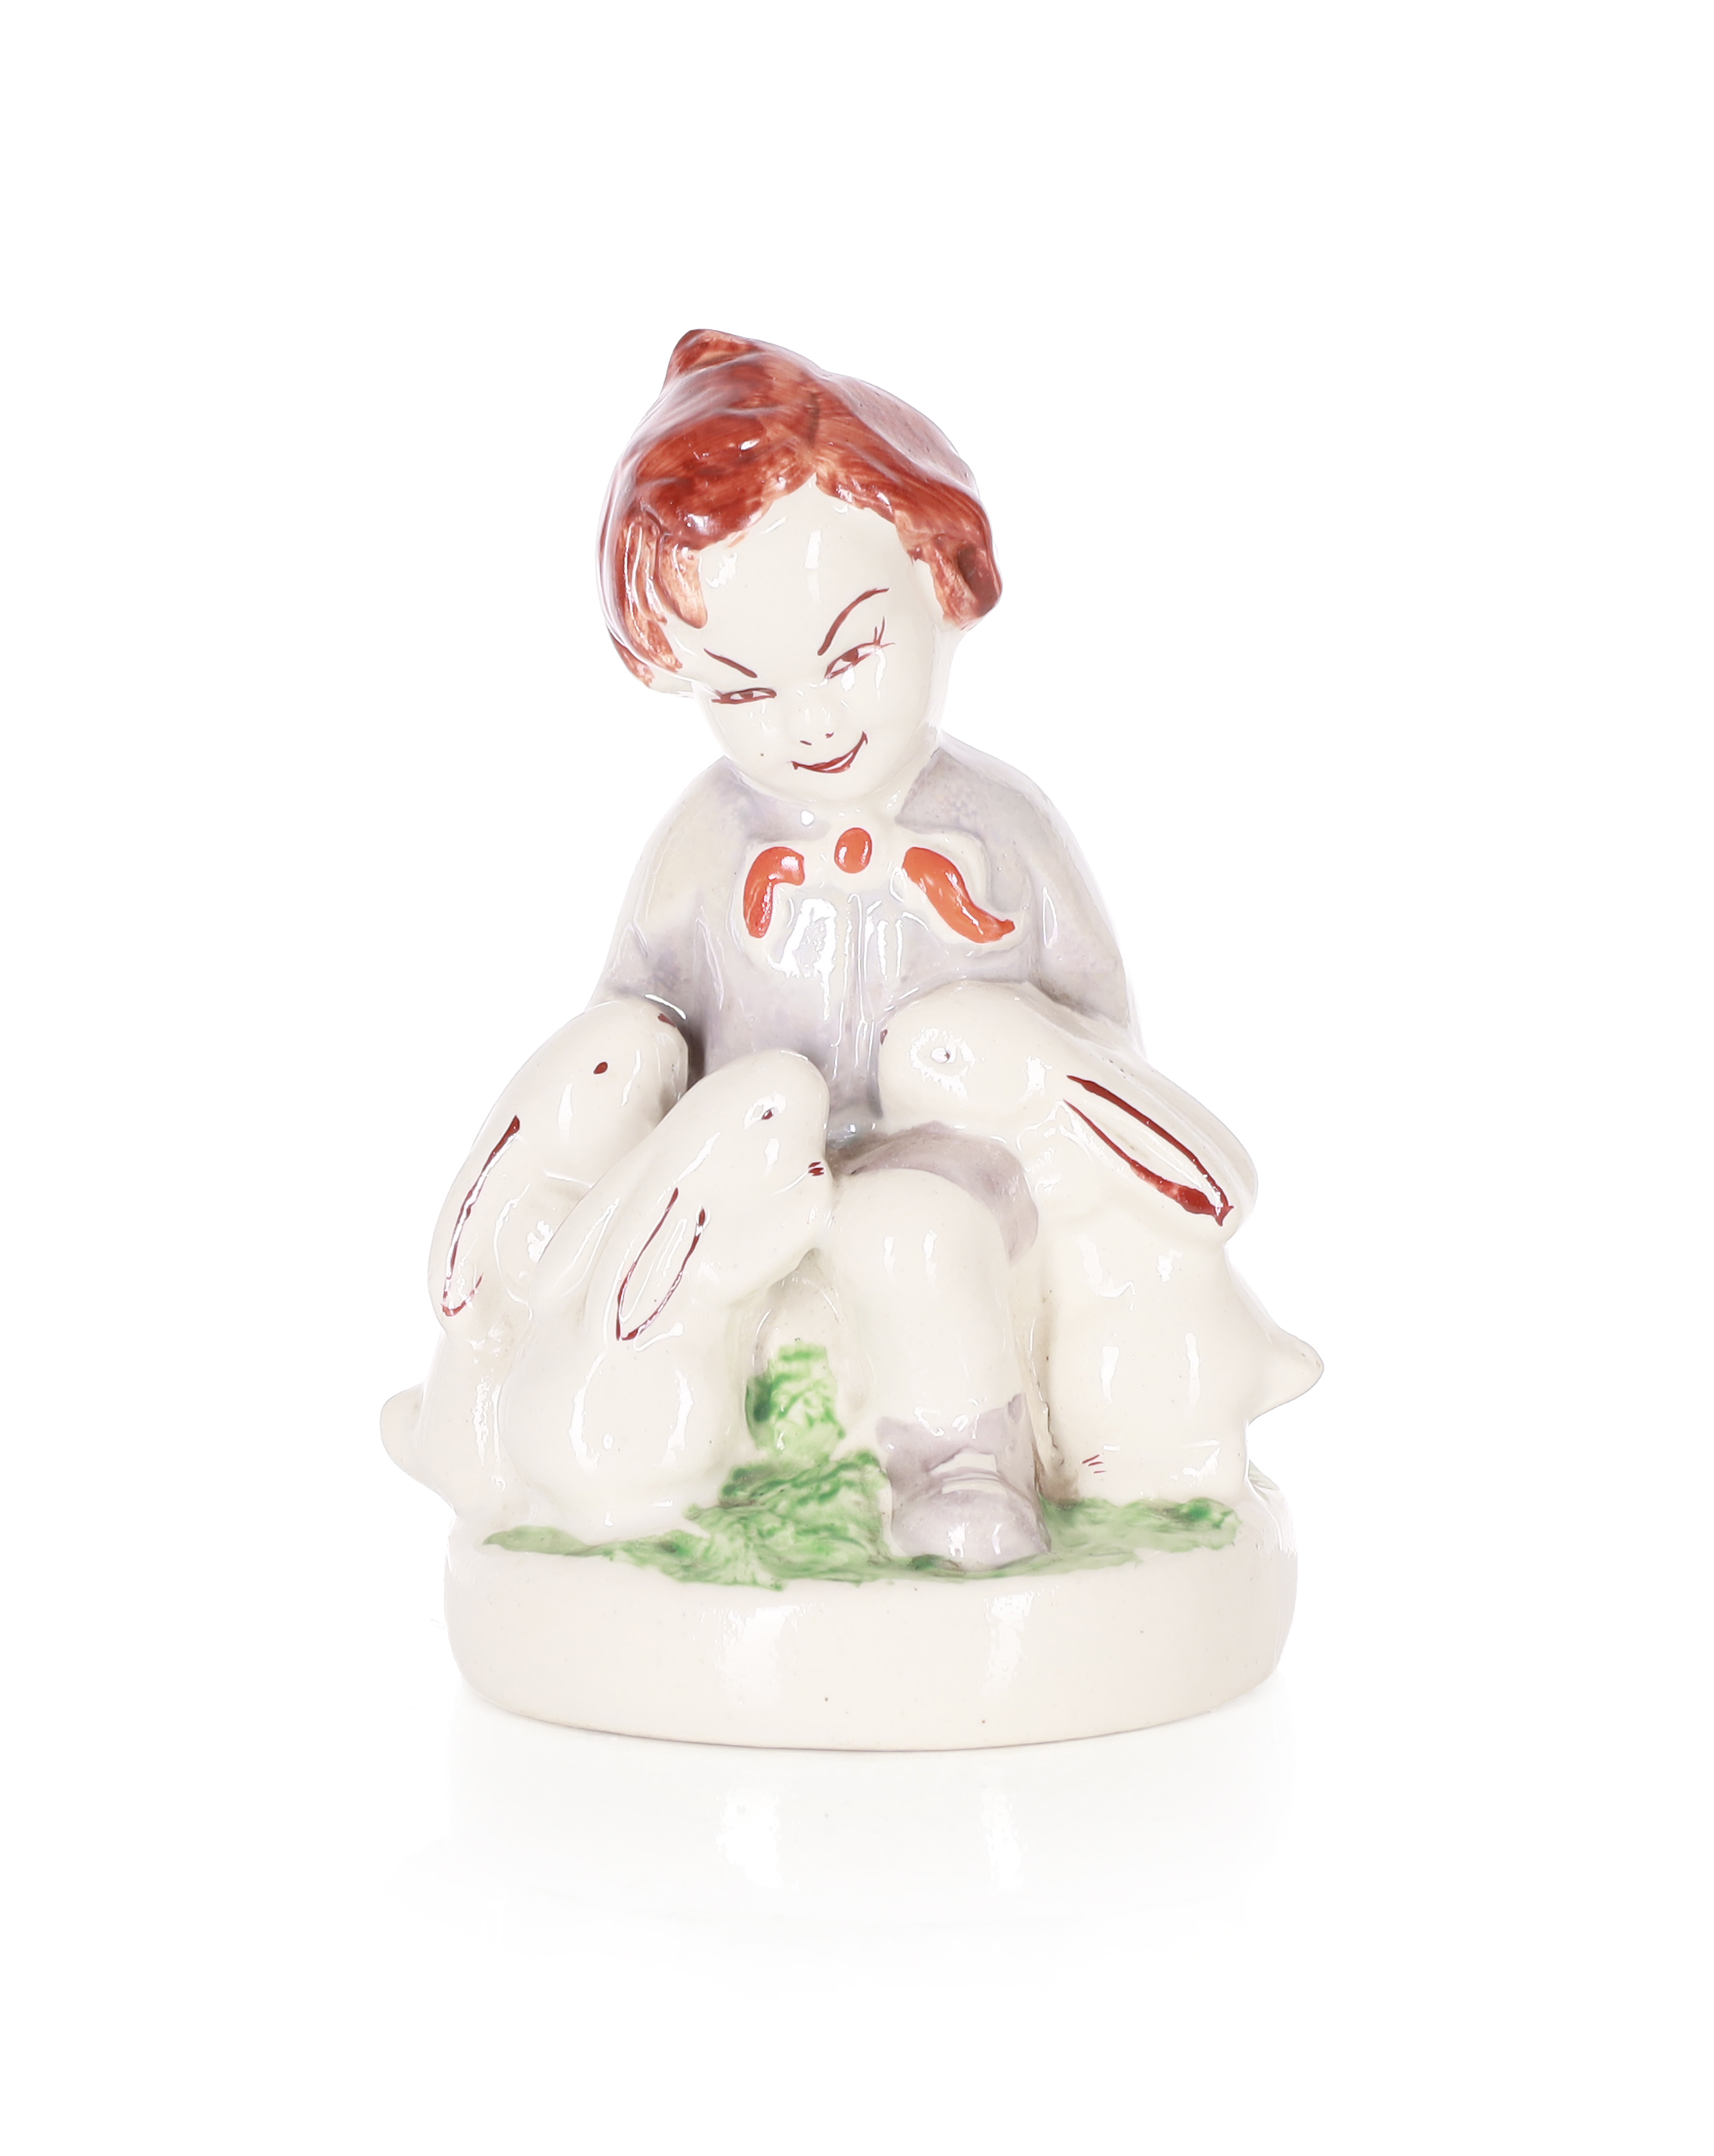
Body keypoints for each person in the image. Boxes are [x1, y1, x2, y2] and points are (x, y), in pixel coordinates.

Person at [576, 329, 1153, 1569]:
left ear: (938, 581)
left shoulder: (1003, 830)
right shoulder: (704, 843)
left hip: (960, 1167)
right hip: (755, 1160)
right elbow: (634, 1019)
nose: (808, 719)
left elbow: (1100, 1034)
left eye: (850, 656)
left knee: (906, 1225)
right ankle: (640, 1457)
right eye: (743, 691)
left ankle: (959, 1463)